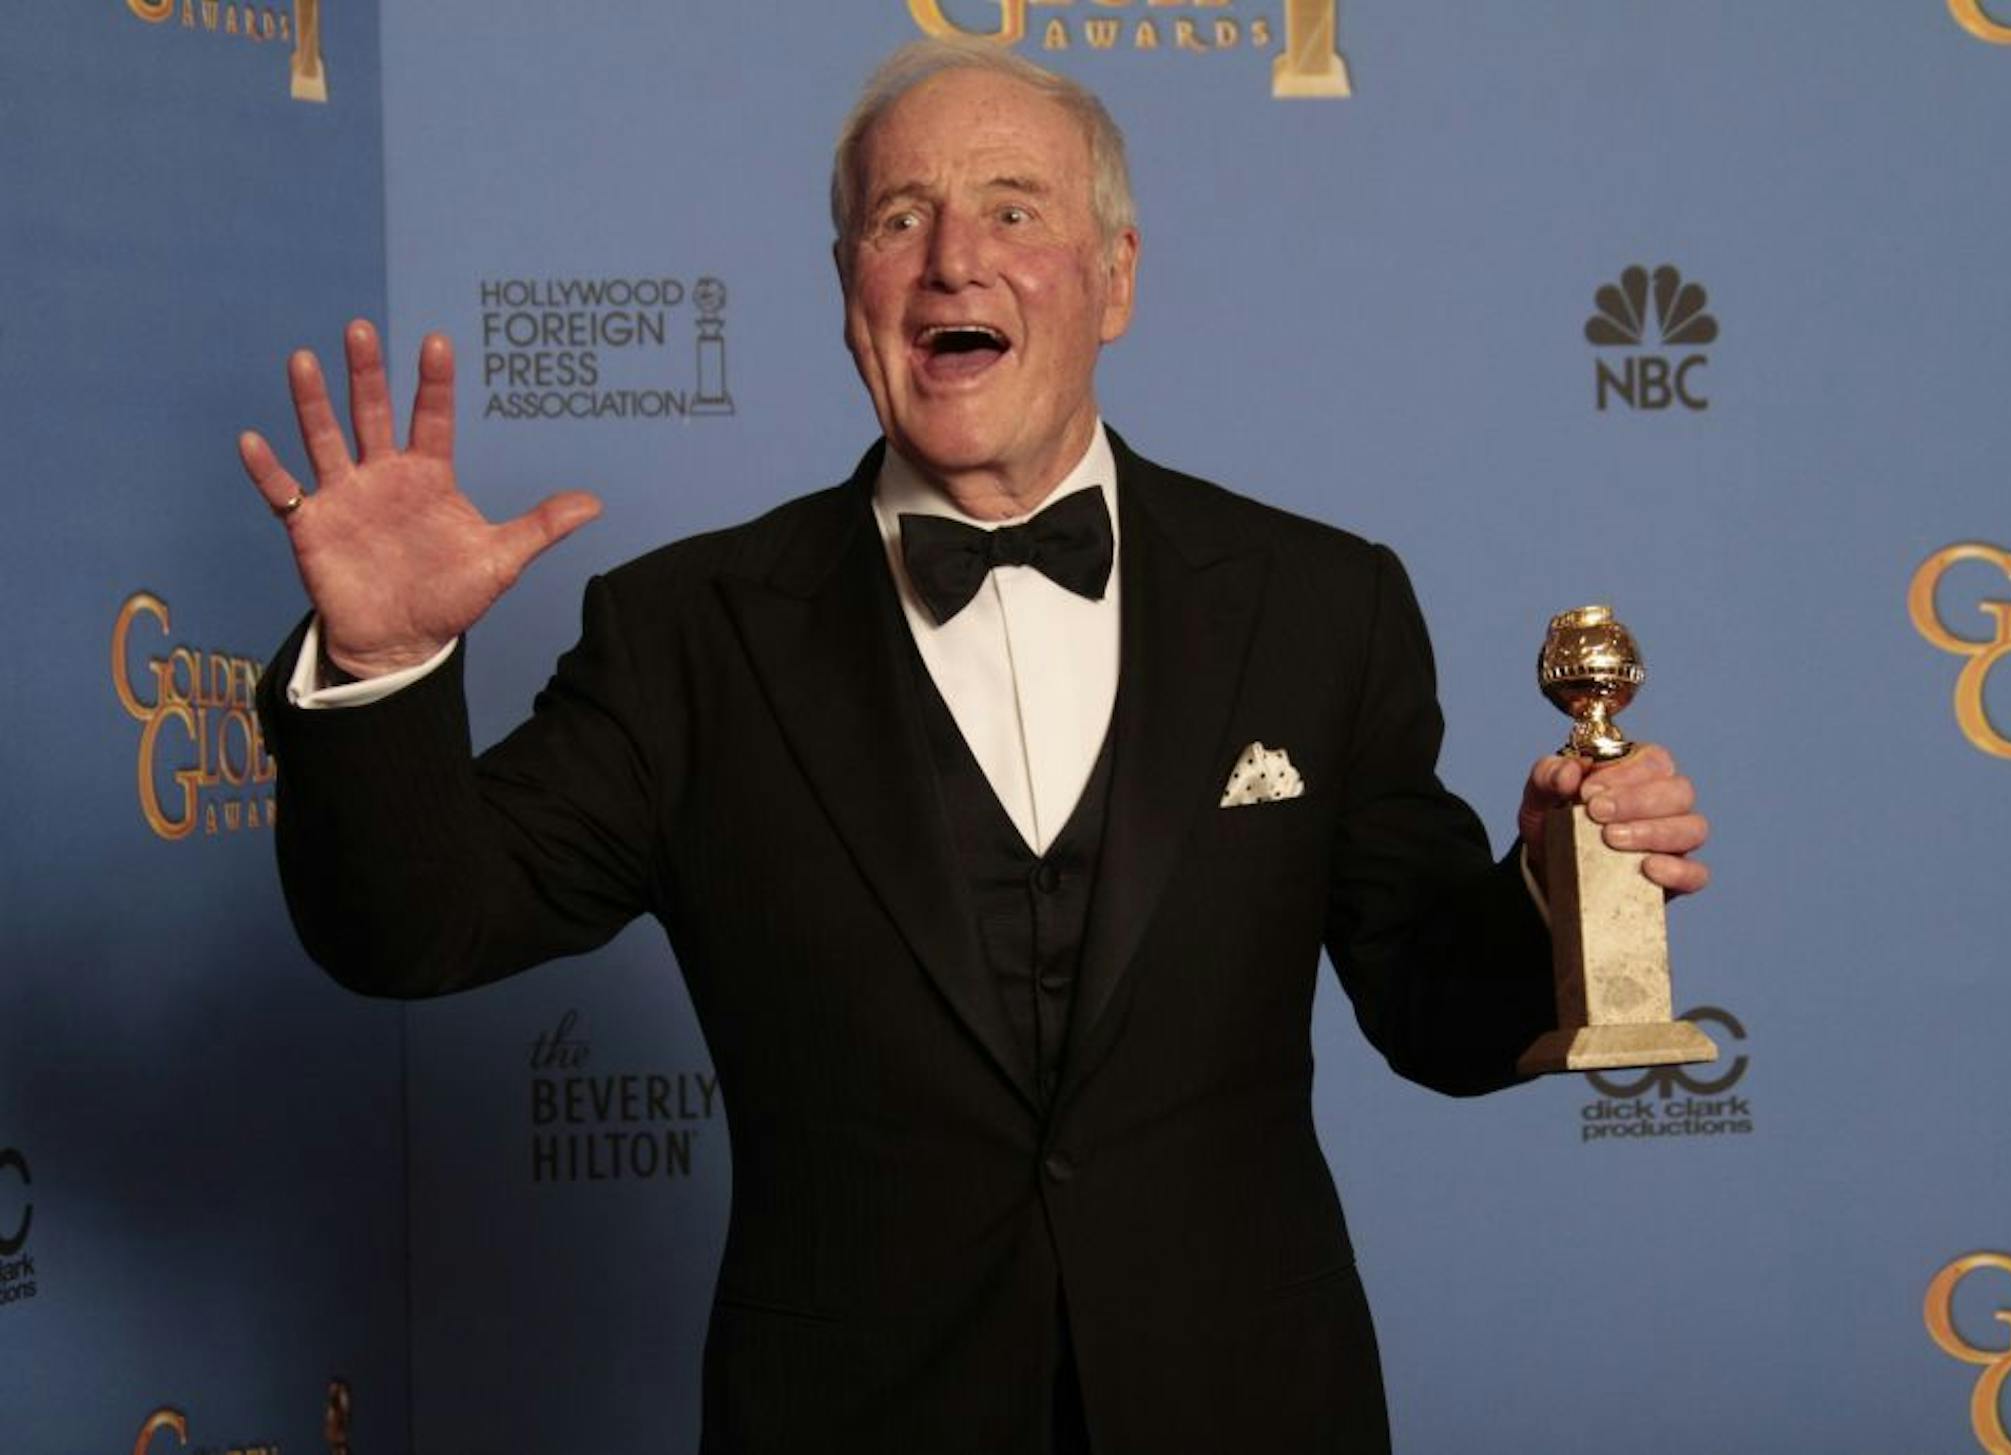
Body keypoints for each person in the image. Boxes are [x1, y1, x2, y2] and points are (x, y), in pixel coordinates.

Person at [240, 40, 1710, 1455]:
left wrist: (1560, 887)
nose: (953, 256)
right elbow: (418, 928)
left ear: (1115, 278)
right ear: (847, 290)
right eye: (899, 217)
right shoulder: (687, 635)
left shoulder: (1322, 606)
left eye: (1014, 208)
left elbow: (1437, 1012)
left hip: (1252, 1405)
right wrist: (379, 666)